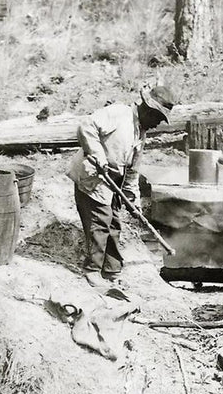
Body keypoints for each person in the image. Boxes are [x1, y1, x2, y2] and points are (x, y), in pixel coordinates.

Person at [68, 85, 176, 287]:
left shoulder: (140, 133)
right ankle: (92, 270)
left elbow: (132, 170)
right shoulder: (119, 114)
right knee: (100, 222)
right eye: (158, 118)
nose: (158, 124)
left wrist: (132, 200)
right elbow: (86, 126)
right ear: (147, 109)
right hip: (93, 177)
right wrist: (97, 154)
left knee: (114, 223)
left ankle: (111, 269)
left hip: (113, 183)